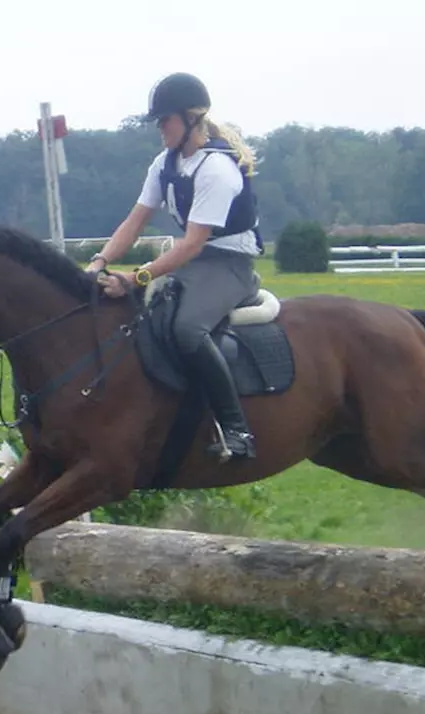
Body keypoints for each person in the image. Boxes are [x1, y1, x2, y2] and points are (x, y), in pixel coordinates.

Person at [86, 72, 263, 461]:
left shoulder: (216, 170)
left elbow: (192, 243)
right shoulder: (164, 164)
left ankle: (237, 430)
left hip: (228, 265)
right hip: (194, 263)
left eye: (165, 120)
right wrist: (98, 262)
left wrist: (136, 278)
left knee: (186, 329)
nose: (159, 129)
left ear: (192, 119)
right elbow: (135, 221)